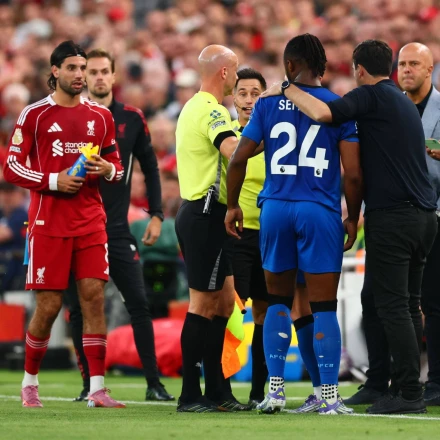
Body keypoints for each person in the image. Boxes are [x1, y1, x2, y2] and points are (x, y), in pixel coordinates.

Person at [266, 39, 438, 414]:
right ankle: (396, 386)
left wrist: (285, 87)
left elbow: (322, 112)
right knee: (406, 305)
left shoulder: (370, 96)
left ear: (360, 70)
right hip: (423, 216)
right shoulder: (401, 102)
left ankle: (409, 393)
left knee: (392, 306)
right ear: (390, 67)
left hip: (394, 216)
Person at [226, 33, 363, 415]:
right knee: (323, 307)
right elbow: (353, 174)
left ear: (289, 65)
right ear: (322, 67)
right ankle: (329, 396)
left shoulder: (268, 105)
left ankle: (275, 392)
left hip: (275, 209)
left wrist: (233, 206)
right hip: (318, 210)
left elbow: (238, 158)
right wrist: (352, 215)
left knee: (277, 302)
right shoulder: (338, 106)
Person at [3, 40, 125, 408]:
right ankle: (29, 382)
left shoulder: (100, 116)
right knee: (49, 307)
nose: (79, 74)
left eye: (82, 68)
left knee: (94, 300)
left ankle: (97, 389)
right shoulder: (35, 115)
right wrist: (55, 181)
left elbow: (117, 166)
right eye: (72, 68)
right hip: (48, 223)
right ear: (55, 71)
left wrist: (107, 170)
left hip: (90, 221)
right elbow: (11, 167)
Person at [64, 49, 174, 402]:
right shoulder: (70, 117)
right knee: (78, 308)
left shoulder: (131, 117)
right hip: (78, 228)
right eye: (92, 72)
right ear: (84, 78)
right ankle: (88, 385)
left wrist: (156, 213)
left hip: (115, 229)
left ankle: (154, 384)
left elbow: (150, 167)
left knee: (138, 303)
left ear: (114, 77)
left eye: (103, 71)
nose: (98, 77)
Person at [346, 42, 440, 408]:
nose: (407, 69)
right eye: (402, 64)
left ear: (430, 70)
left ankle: (430, 383)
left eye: (415, 63)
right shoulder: (391, 104)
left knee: (426, 303)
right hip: (396, 214)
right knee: (376, 299)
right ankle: (378, 380)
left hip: (425, 214)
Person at [175, 44, 242, 412]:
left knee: (224, 301)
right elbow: (232, 149)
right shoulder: (212, 110)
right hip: (204, 214)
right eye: (235, 71)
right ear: (224, 72)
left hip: (206, 213)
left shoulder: (193, 107)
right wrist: (269, 137)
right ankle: (189, 393)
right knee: (202, 304)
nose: (237, 78)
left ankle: (217, 389)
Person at [229, 67, 268, 408]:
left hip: (269, 235)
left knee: (265, 316)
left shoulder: (275, 137)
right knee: (232, 310)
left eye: (256, 93)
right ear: (233, 97)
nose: (249, 100)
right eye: (242, 93)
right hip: (236, 235)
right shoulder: (225, 136)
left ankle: (259, 392)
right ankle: (222, 388)